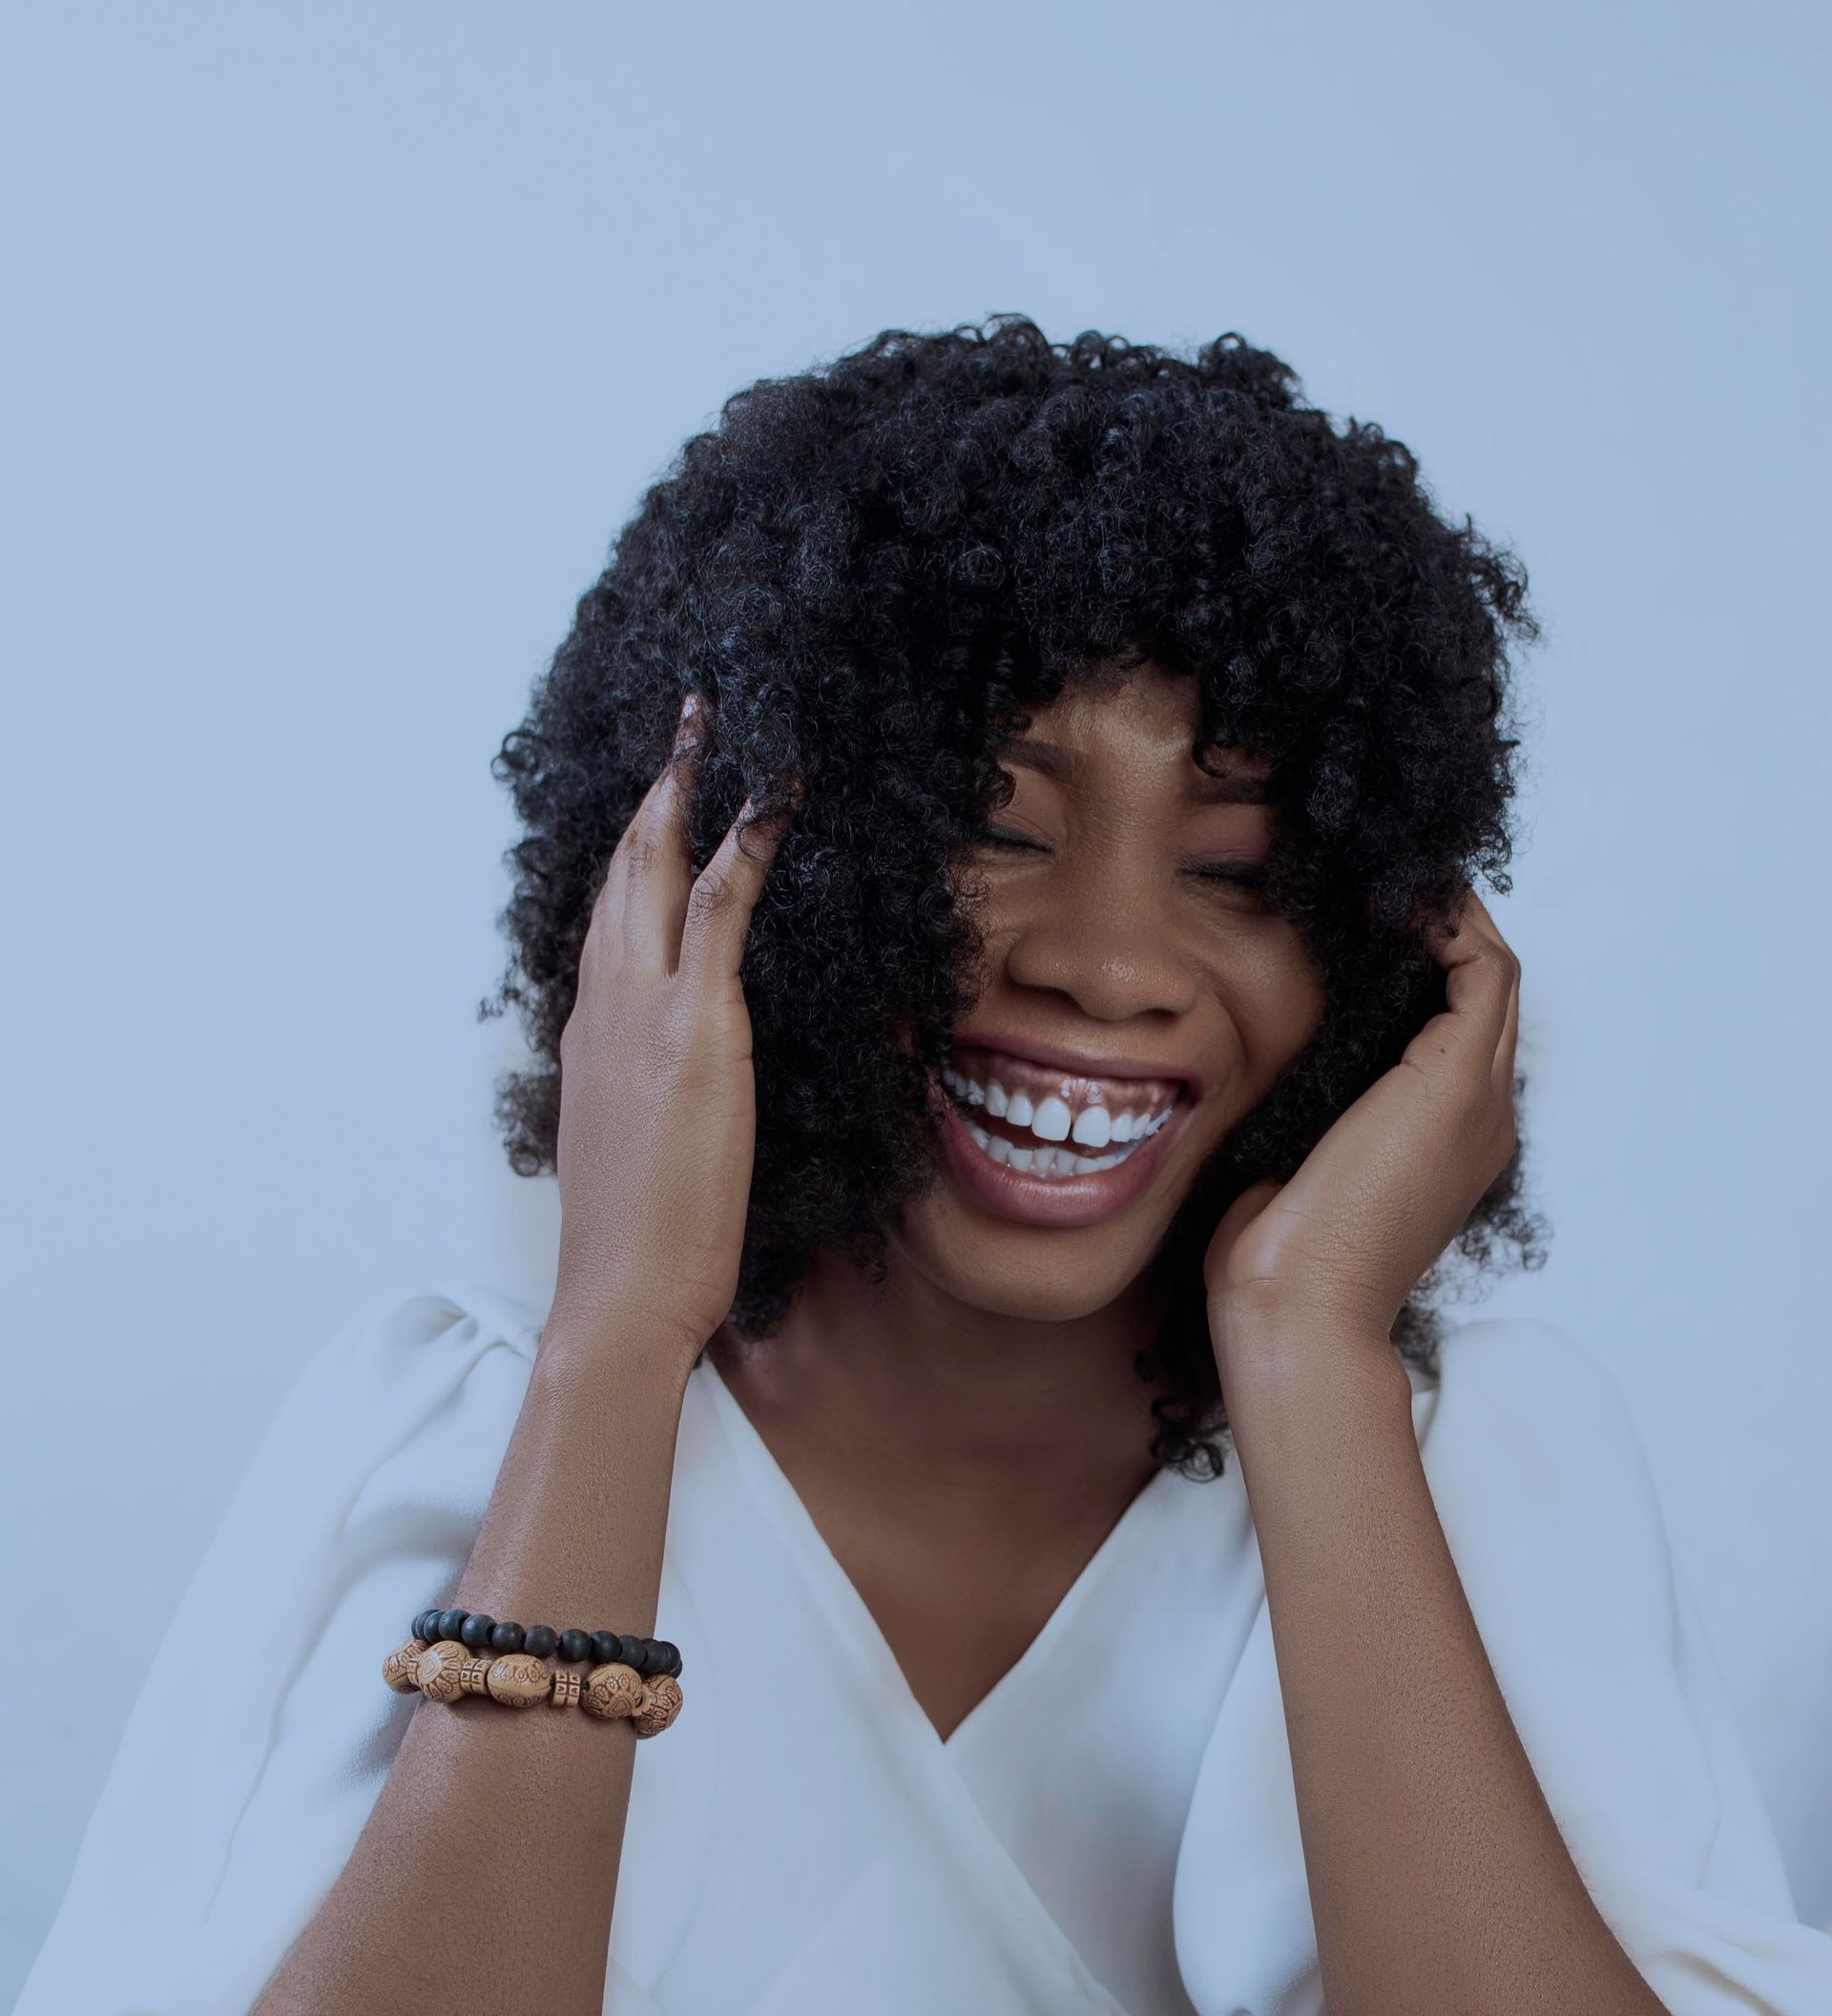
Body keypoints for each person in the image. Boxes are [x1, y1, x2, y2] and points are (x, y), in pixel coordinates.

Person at [17, 317, 1832, 2016]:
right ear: (720, 877)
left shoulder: (1479, 1457)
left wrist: (1308, 1353)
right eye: (990, 829)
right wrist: (619, 1339)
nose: (1111, 964)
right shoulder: (451, 1429)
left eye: (1237, 866)